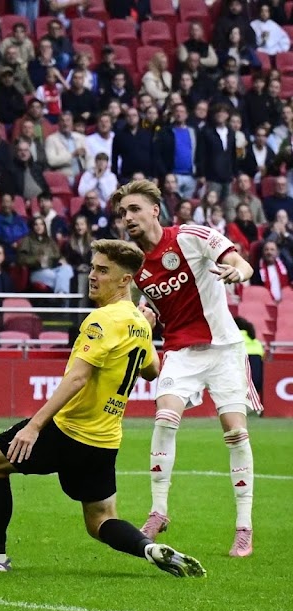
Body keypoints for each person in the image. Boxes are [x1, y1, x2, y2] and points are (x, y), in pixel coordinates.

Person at [0, 239, 206, 578]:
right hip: (103, 440)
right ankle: (147, 547)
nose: (93, 276)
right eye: (93, 268)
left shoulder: (102, 320)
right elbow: (152, 370)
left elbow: (76, 380)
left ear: (125, 281)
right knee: (100, 520)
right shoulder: (138, 322)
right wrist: (145, 328)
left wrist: (34, 426)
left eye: (103, 271)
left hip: (67, 429)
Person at [111, 180, 259, 558]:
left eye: (134, 209)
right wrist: (145, 313)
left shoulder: (191, 236)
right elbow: (157, 303)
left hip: (224, 347)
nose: (127, 218)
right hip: (180, 350)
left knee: (235, 433)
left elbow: (239, 261)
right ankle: (158, 511)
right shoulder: (136, 265)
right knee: (164, 417)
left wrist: (238, 273)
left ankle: (244, 527)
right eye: (122, 213)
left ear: (154, 210)